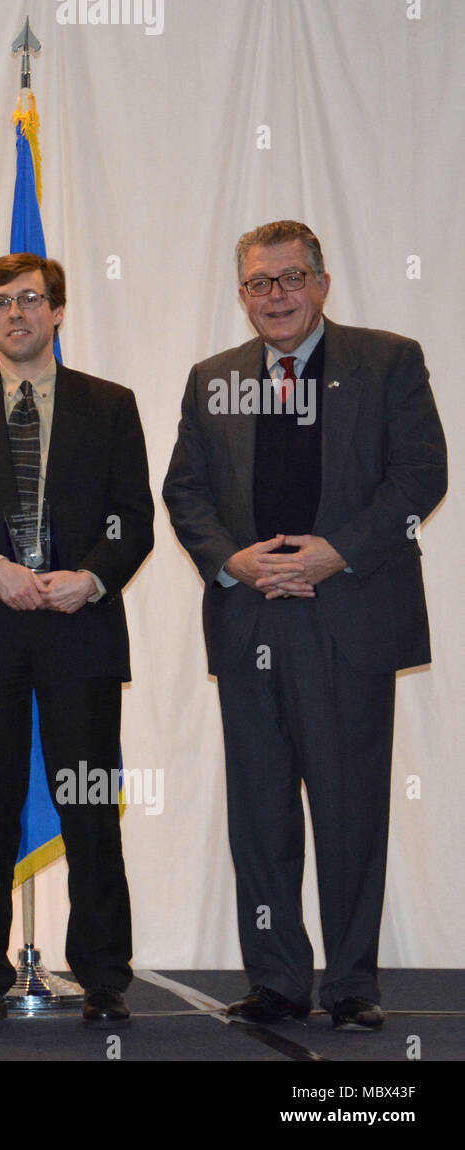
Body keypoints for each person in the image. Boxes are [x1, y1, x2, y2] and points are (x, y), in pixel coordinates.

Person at [163, 220, 447, 1031]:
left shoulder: (387, 361)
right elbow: (184, 493)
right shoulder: (212, 378)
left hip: (348, 618)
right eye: (258, 283)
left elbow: (422, 473)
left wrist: (337, 553)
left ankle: (352, 984)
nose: (275, 296)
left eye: (290, 278)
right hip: (250, 616)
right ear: (242, 293)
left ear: (322, 283)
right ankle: (278, 980)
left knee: (351, 808)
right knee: (260, 814)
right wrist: (237, 561)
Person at [0, 253, 152, 1026]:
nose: (14, 313)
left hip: (78, 629)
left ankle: (104, 974)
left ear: (57, 310)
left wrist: (88, 578)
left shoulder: (110, 405)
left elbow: (134, 519)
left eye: (29, 299)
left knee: (89, 806)